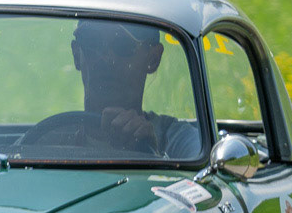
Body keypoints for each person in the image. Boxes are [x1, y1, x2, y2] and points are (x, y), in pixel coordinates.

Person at [69, 20, 201, 158]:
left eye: (123, 45)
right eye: (92, 42)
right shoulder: (50, 139)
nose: (106, 58)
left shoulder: (180, 142)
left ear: (153, 59)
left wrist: (152, 155)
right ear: (77, 54)